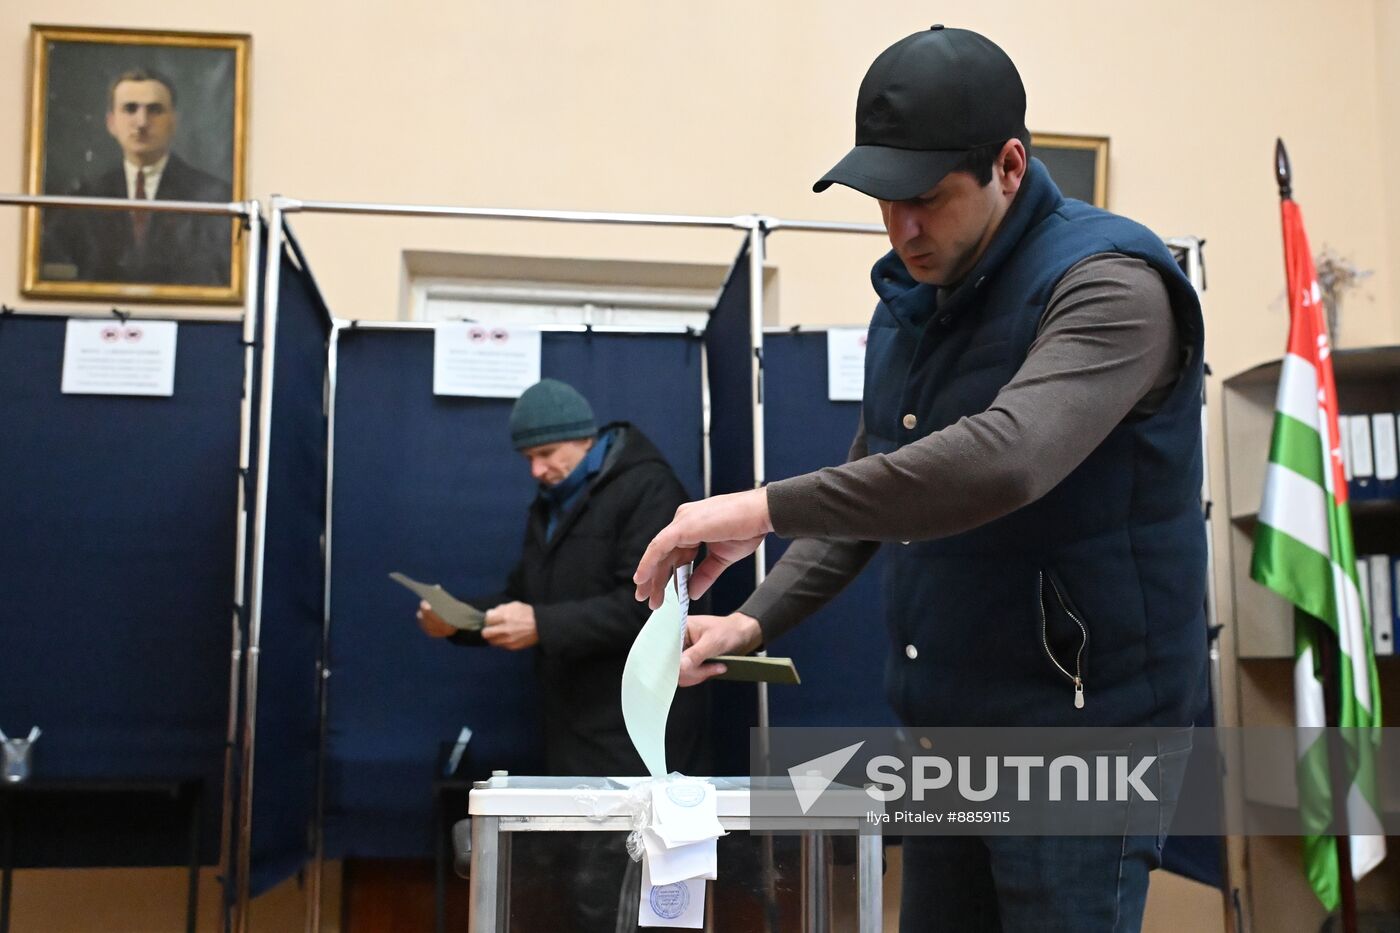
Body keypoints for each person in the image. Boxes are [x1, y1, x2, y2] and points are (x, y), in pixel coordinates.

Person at [632, 26, 1206, 933]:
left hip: (1083, 739)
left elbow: (1005, 457)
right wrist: (752, 617)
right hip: (948, 734)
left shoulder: (1112, 284)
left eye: (927, 200)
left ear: (1009, 166)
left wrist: (760, 506)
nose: (902, 229)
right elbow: (878, 488)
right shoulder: (913, 307)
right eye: (884, 201)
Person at [419, 378, 709, 932]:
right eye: (528, 457)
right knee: (587, 894)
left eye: (546, 454)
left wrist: (543, 625)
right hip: (573, 734)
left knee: (631, 899)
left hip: (634, 738)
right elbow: (521, 598)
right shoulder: (548, 507)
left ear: (584, 439)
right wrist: (455, 619)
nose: (536, 470)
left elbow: (652, 611)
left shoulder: (649, 490)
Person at [40, 67, 233, 287]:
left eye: (155, 110)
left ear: (174, 122)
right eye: (130, 109)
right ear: (111, 123)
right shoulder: (85, 199)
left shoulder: (212, 197)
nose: (141, 122)